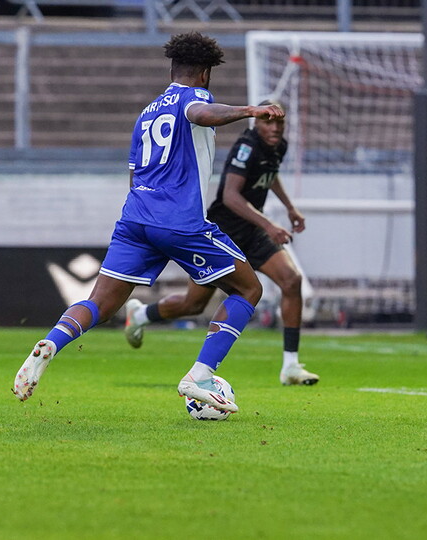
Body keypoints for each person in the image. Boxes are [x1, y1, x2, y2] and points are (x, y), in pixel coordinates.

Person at [12, 32, 286, 413]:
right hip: (179, 221)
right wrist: (249, 110)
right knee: (248, 290)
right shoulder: (195, 97)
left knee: (100, 304)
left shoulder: (146, 113)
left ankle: (52, 342)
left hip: (135, 220)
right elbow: (200, 114)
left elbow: (133, 175)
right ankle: (201, 374)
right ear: (204, 73)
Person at [122, 99, 319, 386]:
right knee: (193, 304)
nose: (274, 127)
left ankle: (290, 365)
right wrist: (270, 224)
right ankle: (141, 314)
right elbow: (230, 196)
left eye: (279, 122)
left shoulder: (278, 145)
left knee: (291, 280)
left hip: (253, 230)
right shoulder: (246, 147)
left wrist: (289, 207)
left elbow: (270, 174)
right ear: (256, 122)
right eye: (268, 121)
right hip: (225, 231)